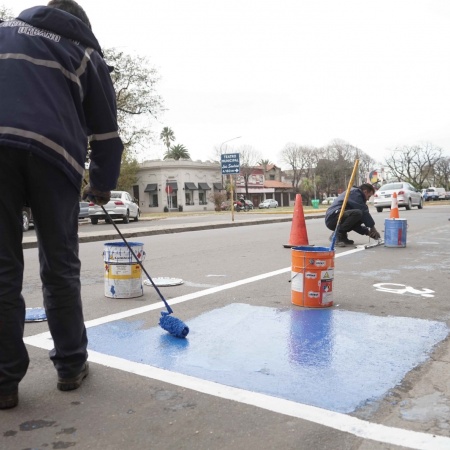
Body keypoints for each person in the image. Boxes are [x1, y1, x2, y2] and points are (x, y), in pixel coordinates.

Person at [0, 0, 123, 409]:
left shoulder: (3, 32)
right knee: (60, 266)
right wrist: (101, 186)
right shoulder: (84, 53)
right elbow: (106, 133)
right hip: (55, 157)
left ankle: (3, 382)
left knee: (1, 269)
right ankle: (70, 365)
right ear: (80, 25)